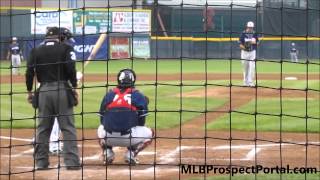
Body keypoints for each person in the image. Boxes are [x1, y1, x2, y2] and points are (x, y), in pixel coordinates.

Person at [26, 26, 80, 170]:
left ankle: (41, 163)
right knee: (67, 127)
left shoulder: (35, 50)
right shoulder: (66, 49)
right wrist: (74, 87)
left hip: (43, 90)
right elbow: (71, 69)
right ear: (60, 37)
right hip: (62, 90)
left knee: (43, 129)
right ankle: (72, 163)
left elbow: (29, 72)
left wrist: (30, 91)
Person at [97, 69, 154, 165]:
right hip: (129, 138)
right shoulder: (138, 95)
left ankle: (107, 152)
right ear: (133, 80)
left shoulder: (109, 94)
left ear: (119, 80)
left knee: (100, 128)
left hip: (108, 137)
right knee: (151, 133)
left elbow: (102, 120)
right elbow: (141, 123)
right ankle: (131, 153)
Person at [239, 21, 259, 87]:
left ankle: (250, 82)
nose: (250, 28)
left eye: (251, 27)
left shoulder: (255, 33)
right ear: (247, 27)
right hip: (244, 53)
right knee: (245, 68)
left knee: (252, 67)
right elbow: (240, 44)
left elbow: (257, 42)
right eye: (249, 27)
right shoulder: (243, 34)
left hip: (252, 52)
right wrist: (245, 48)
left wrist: (253, 42)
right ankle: (245, 82)